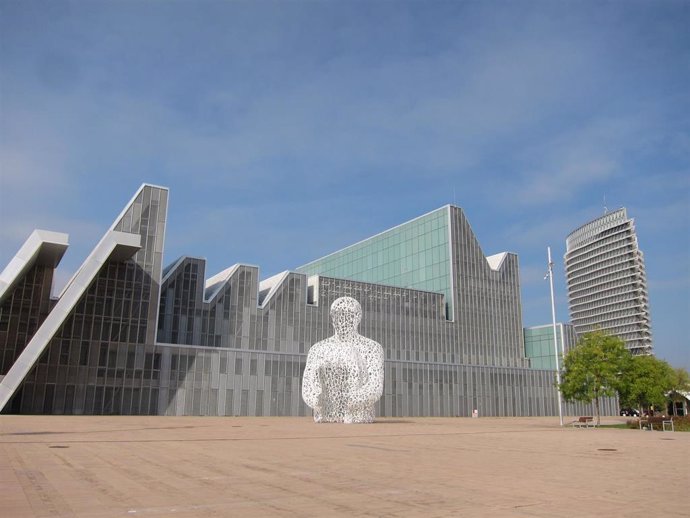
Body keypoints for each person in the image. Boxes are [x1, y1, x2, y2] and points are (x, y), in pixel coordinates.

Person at [302, 297, 384, 423]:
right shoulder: (318, 349)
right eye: (338, 315)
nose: (343, 320)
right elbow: (308, 386)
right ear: (332, 318)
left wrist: (350, 401)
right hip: (325, 415)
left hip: (359, 416)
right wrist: (316, 399)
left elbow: (375, 387)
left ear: (358, 317)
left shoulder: (372, 348)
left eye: (348, 315)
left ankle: (349, 412)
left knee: (352, 355)